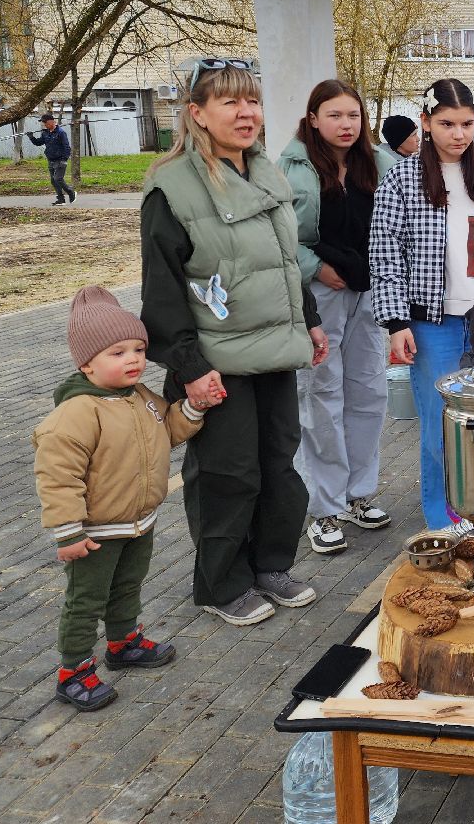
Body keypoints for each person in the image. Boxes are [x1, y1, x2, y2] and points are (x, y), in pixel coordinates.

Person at [141, 58, 327, 628]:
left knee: (279, 466)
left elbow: (285, 261)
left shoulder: (266, 172)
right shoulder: (171, 187)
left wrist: (311, 320)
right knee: (227, 473)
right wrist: (189, 366)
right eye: (229, 102)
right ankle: (221, 583)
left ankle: (271, 564)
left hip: (275, 351)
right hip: (216, 363)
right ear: (196, 113)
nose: (246, 113)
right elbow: (163, 291)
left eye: (252, 100)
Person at [34, 287, 212, 711]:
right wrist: (67, 533)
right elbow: (57, 477)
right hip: (94, 531)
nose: (132, 359)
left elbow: (165, 432)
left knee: (128, 585)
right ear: (86, 363)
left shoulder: (141, 398)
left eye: (137, 349)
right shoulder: (76, 414)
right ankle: (73, 670)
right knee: (85, 601)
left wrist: (193, 408)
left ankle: (123, 641)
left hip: (138, 522)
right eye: (117, 352)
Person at [371, 78, 474, 528]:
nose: (458, 134)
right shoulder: (401, 179)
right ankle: (444, 524)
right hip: (432, 322)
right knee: (441, 430)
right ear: (426, 122)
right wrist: (396, 321)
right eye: (446, 123)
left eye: (466, 123)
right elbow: (384, 252)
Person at [279, 80, 396, 556]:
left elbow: (397, 225)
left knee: (369, 391)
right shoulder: (290, 168)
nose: (346, 125)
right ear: (313, 118)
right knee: (322, 396)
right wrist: (316, 269)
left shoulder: (382, 163)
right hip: (321, 294)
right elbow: (283, 237)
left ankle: (359, 494)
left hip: (370, 292)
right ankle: (324, 507)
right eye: (334, 115)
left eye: (353, 115)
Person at [27, 112, 76, 205]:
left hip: (60, 159)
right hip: (51, 160)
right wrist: (31, 137)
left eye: (45, 123)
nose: (44, 125)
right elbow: (39, 143)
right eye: (43, 123)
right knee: (54, 181)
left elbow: (67, 147)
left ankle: (70, 191)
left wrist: (64, 160)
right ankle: (61, 199)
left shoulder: (61, 133)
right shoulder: (45, 133)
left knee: (58, 178)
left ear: (51, 122)